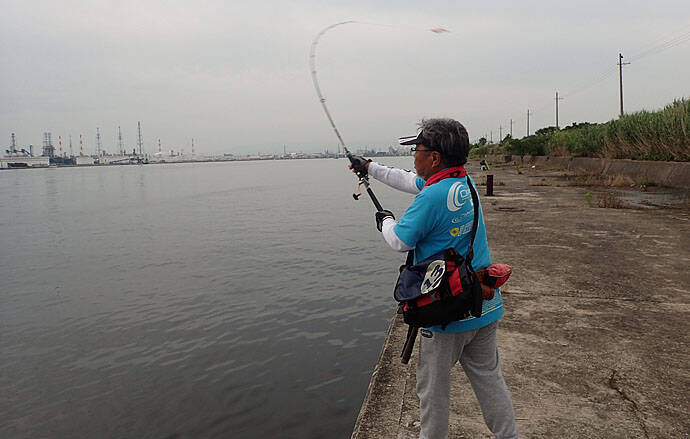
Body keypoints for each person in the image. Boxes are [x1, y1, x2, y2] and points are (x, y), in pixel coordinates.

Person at [350, 118, 518, 439]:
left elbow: (400, 241)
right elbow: (405, 179)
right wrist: (368, 166)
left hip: (447, 313)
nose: (414, 155)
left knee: (433, 394)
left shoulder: (431, 196)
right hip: (483, 303)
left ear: (435, 157)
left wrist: (385, 221)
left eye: (418, 150)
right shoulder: (463, 184)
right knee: (490, 380)